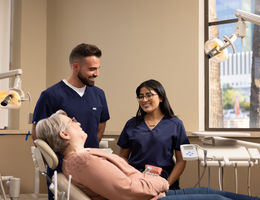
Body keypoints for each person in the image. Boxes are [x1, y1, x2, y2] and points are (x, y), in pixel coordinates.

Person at [36, 110, 260, 200]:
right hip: (151, 195)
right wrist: (161, 181)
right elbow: (129, 190)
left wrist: (149, 180)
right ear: (64, 134)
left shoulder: (83, 155)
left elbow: (130, 178)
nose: (78, 123)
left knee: (211, 191)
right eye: (72, 122)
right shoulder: (81, 161)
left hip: (152, 190)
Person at [31, 43, 110, 199]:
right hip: (61, 170)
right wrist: (58, 160)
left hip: (91, 168)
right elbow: (37, 136)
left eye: (98, 68)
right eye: (92, 69)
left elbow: (99, 128)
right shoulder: (50, 95)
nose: (97, 73)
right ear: (75, 67)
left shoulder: (99, 94)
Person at [117, 79, 189, 190]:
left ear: (161, 98)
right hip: (137, 182)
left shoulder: (175, 124)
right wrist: (133, 177)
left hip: (165, 182)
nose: (144, 100)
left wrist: (167, 184)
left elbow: (181, 161)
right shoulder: (131, 124)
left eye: (149, 95)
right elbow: (122, 157)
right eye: (141, 96)